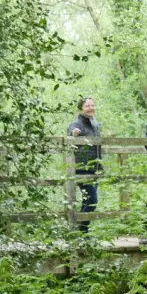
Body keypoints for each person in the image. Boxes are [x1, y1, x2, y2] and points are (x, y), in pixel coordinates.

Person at [67, 96, 102, 233]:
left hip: (95, 167)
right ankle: (82, 230)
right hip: (82, 168)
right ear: (81, 109)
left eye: (92, 105)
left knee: (87, 200)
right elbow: (71, 132)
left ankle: (81, 232)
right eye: (87, 106)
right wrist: (74, 133)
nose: (90, 108)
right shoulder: (76, 124)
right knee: (92, 200)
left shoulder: (96, 125)